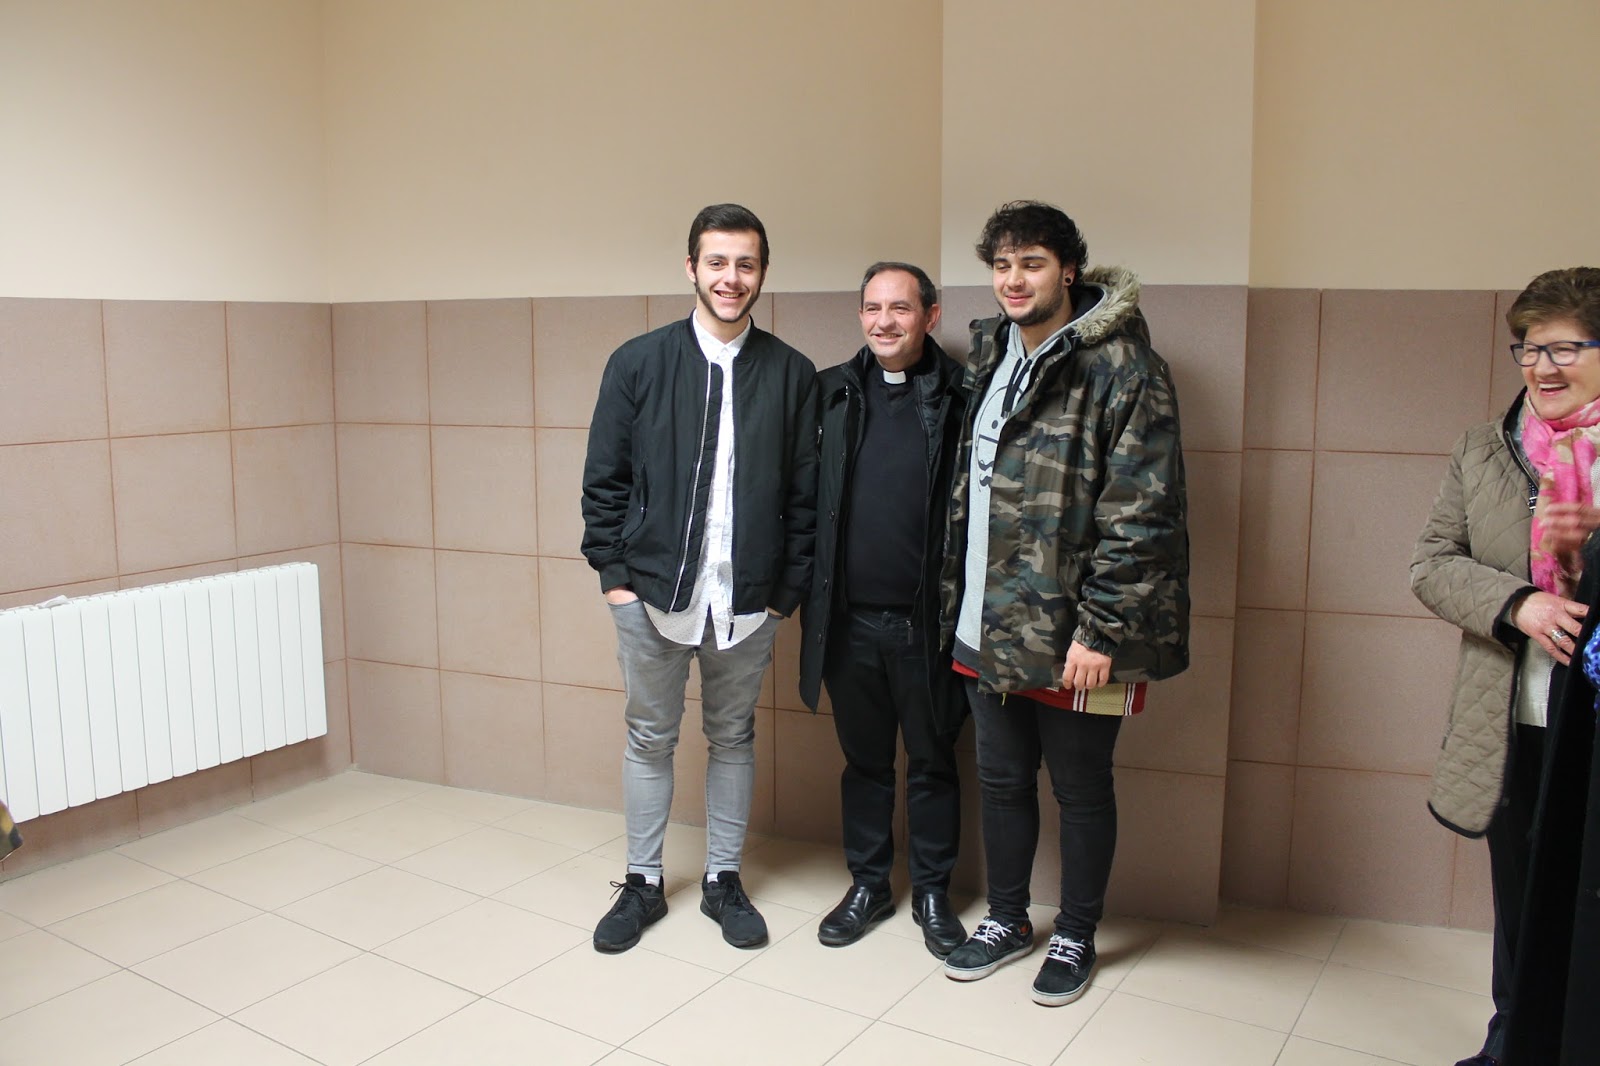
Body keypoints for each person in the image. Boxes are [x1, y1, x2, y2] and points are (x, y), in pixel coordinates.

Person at [938, 201, 1189, 1007]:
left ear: (1069, 270)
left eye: (1032, 264)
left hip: (1078, 633)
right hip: (988, 618)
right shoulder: (991, 354)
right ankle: (1007, 919)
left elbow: (1143, 514)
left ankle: (1076, 932)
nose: (1014, 280)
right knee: (1001, 779)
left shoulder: (1125, 368)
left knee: (1081, 788)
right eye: (1002, 265)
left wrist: (1102, 630)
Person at [580, 203, 817, 953]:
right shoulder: (638, 362)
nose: (730, 277)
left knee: (733, 737)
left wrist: (783, 595)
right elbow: (604, 481)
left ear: (763, 274)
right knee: (650, 737)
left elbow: (805, 496)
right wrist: (616, 580)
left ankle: (723, 880)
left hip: (747, 602)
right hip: (651, 594)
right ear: (691, 268)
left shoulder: (792, 373)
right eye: (717, 262)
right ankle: (643, 883)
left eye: (745, 264)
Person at [1412, 266, 1600, 1066]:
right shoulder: (1483, 449)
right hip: (1514, 713)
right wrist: (1519, 603)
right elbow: (1430, 563)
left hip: (1590, 719)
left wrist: (1588, 553)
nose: (1541, 368)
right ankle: (1512, 1042)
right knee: (1523, 896)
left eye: (1566, 348)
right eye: (1528, 348)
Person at [799, 261, 969, 957]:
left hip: (927, 627)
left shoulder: (963, 395)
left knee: (933, 764)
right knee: (864, 764)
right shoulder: (831, 393)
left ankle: (932, 893)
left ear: (931, 316)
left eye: (900, 308)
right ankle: (868, 885)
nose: (884, 321)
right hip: (849, 626)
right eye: (872, 308)